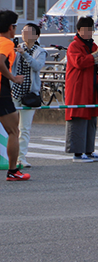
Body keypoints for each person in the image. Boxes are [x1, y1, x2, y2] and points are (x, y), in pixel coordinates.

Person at [65, 17, 98, 163]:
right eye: (85, 30)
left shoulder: (93, 45)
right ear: (79, 30)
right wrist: (96, 55)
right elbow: (79, 62)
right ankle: (77, 152)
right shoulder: (74, 45)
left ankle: (89, 150)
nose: (88, 32)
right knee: (78, 117)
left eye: (90, 29)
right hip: (78, 87)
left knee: (91, 118)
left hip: (90, 86)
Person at [11, 23, 45, 169]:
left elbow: (37, 66)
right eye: (24, 31)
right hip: (14, 91)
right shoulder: (16, 48)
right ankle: (9, 156)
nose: (26, 34)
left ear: (37, 35)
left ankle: (21, 157)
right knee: (10, 127)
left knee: (25, 127)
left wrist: (24, 54)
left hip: (30, 94)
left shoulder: (40, 51)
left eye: (30, 32)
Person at [0, 11, 25, 180]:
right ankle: (13, 171)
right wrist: (13, 78)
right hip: (1, 93)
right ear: (11, 27)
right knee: (13, 131)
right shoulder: (6, 43)